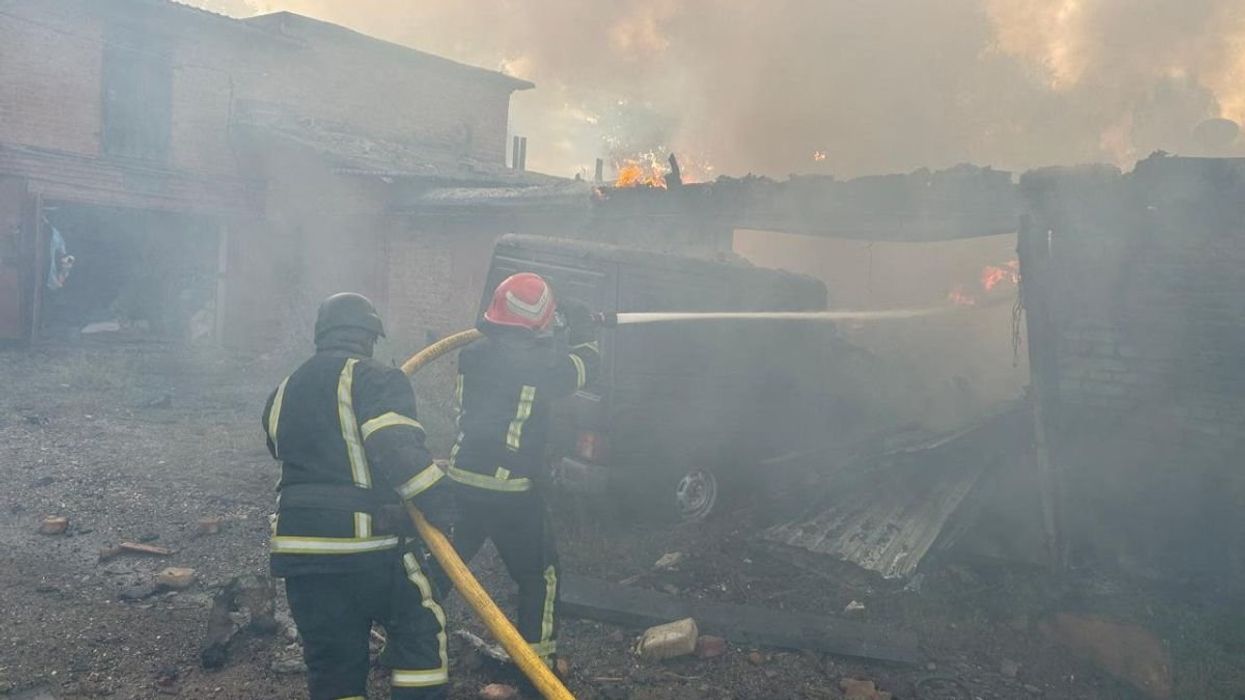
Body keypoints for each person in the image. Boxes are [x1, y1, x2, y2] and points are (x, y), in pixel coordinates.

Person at [262, 292, 454, 700]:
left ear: (321, 335)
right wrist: (444, 504)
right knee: (421, 630)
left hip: (299, 555)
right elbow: (397, 450)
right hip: (367, 548)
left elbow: (288, 452)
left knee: (333, 663)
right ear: (369, 337)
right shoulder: (376, 377)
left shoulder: (283, 389)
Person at [438, 272, 600, 672]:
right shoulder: (543, 363)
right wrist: (584, 332)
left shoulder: (471, 354)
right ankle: (536, 670)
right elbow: (584, 367)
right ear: (540, 318)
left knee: (439, 568)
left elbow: (471, 400)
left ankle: (406, 640)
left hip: (462, 484)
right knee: (539, 576)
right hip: (511, 492)